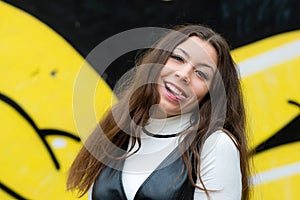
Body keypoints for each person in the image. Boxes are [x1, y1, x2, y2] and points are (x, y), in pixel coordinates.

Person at [67, 24, 251, 200]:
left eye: (201, 74)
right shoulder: (119, 128)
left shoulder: (216, 145)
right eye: (178, 58)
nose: (183, 74)